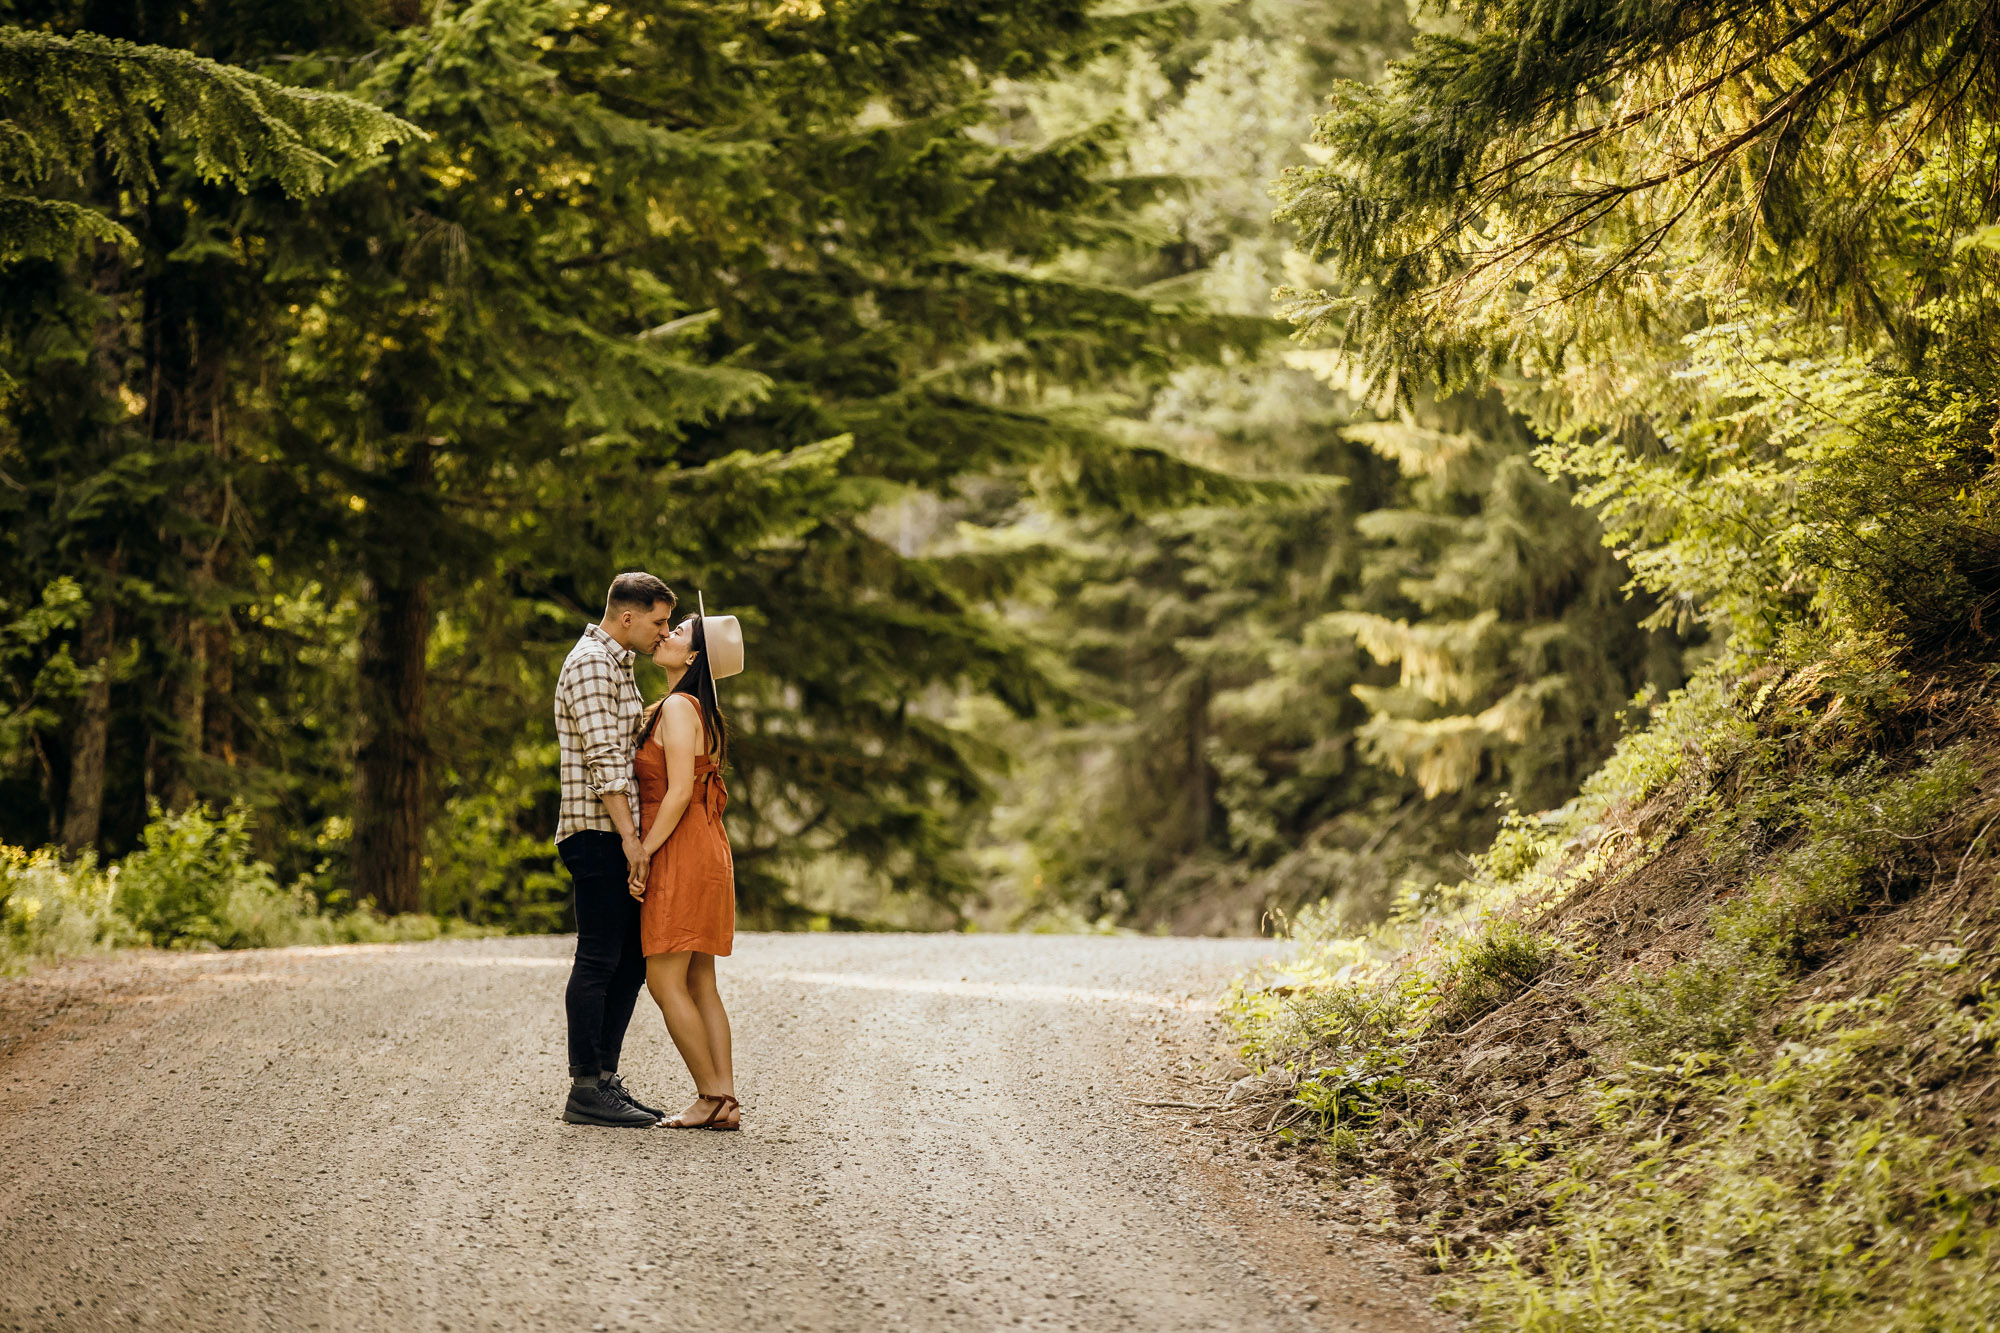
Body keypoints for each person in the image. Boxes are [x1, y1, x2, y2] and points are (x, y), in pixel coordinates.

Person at [552, 572, 677, 1128]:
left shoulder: (619, 665)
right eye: (658, 622)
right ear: (627, 617)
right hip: (597, 831)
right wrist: (632, 839)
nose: (663, 632)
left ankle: (604, 1077)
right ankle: (584, 1086)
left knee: (630, 960)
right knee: (600, 957)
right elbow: (606, 760)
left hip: (616, 830)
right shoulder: (591, 664)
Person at [631, 604, 745, 1130]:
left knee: (664, 980)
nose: (666, 635)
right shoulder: (694, 708)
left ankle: (708, 1096)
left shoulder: (679, 707)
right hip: (705, 846)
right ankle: (725, 1099)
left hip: (680, 846)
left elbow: (677, 793)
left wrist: (645, 850)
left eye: (677, 631)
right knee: (702, 981)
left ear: (694, 654)